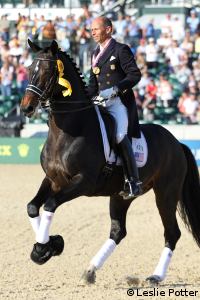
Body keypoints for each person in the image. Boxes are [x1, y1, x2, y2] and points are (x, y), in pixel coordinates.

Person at [87, 16, 142, 199]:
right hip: (100, 101)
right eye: (91, 29)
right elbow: (93, 84)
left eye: (96, 28)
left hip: (118, 101)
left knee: (119, 135)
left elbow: (135, 74)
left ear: (108, 29)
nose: (93, 32)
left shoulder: (120, 49)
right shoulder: (95, 53)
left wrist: (117, 88)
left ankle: (133, 181)